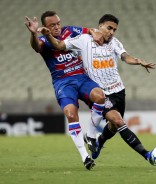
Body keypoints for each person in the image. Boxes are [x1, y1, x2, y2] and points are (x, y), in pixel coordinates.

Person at [38, 14, 156, 164]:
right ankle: (147, 155)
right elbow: (60, 46)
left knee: (113, 126)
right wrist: (47, 36)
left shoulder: (114, 42)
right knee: (118, 121)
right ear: (99, 26)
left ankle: (99, 142)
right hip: (100, 92)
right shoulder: (83, 40)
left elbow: (125, 57)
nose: (112, 32)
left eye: (114, 29)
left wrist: (138, 61)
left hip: (119, 90)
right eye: (109, 28)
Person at [24, 11, 106, 170]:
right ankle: (85, 157)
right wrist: (33, 34)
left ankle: (90, 135)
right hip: (63, 83)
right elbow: (36, 47)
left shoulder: (70, 31)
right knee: (70, 113)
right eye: (52, 25)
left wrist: (95, 32)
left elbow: (88, 30)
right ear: (45, 26)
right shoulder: (42, 39)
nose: (57, 27)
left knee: (100, 96)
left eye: (58, 23)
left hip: (82, 78)